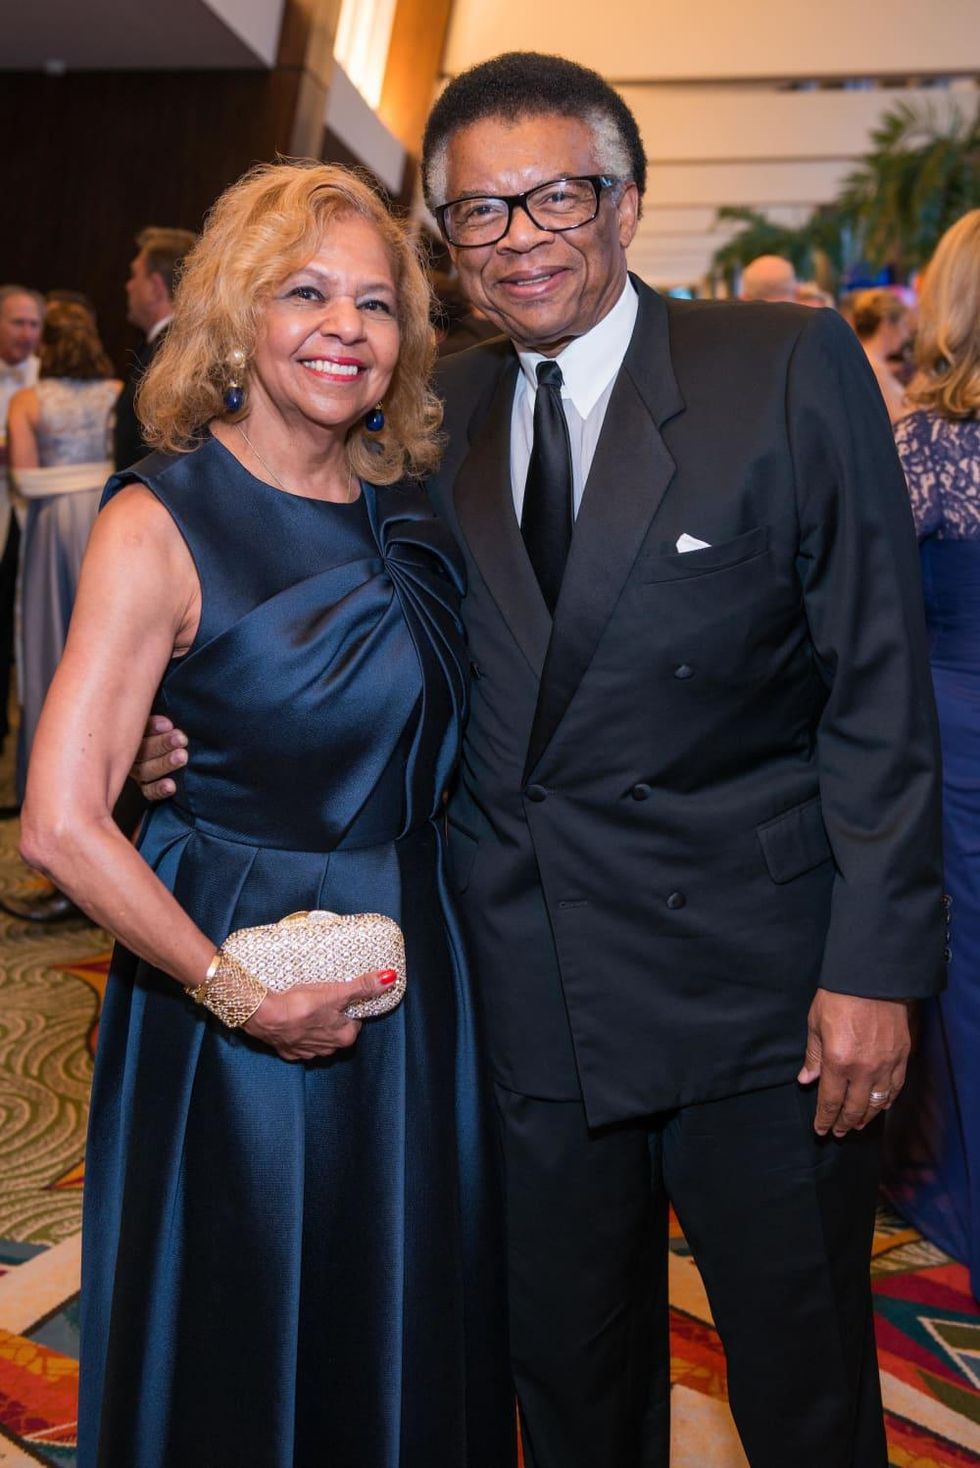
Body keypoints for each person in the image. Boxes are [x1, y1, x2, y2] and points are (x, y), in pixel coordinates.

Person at [135, 53, 946, 1468]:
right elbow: (354, 641)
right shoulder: (424, 419)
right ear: (445, 244)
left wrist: (876, 969)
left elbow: (879, 686)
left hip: (761, 996)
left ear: (628, 203)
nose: (519, 237)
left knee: (805, 1387)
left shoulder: (778, 369)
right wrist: (184, 731)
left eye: (554, 195)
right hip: (521, 996)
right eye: (477, 214)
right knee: (566, 1383)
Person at [21, 161, 513, 1468]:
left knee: (401, 1299)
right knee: (246, 1309)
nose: (346, 328)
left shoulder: (410, 509)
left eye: (376, 301)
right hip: (236, 979)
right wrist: (236, 992)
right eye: (306, 293)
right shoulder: (157, 520)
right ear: (237, 315)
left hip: (420, 966)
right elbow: (60, 822)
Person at [883, 208, 980, 1303]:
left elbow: (874, 624)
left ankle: (955, 1186)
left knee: (958, 966)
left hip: (951, 736)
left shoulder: (925, 445)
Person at [6, 303, 121, 802]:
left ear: (47, 346)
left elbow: (27, 479)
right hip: (107, 517)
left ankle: (50, 792)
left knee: (50, 649)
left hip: (54, 527)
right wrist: (99, 477)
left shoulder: (28, 403)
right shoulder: (117, 394)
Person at [0, 285, 43, 757]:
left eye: (34, 324)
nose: (28, 334)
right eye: (18, 323)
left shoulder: (46, 377)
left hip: (35, 522)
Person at [113, 225, 196, 470]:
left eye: (134, 275)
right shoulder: (171, 345)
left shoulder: (170, 353)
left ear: (155, 287)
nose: (128, 286)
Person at [851, 287, 912, 423]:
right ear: (886, 324)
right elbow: (896, 418)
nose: (906, 335)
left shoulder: (865, 360)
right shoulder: (874, 367)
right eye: (903, 325)